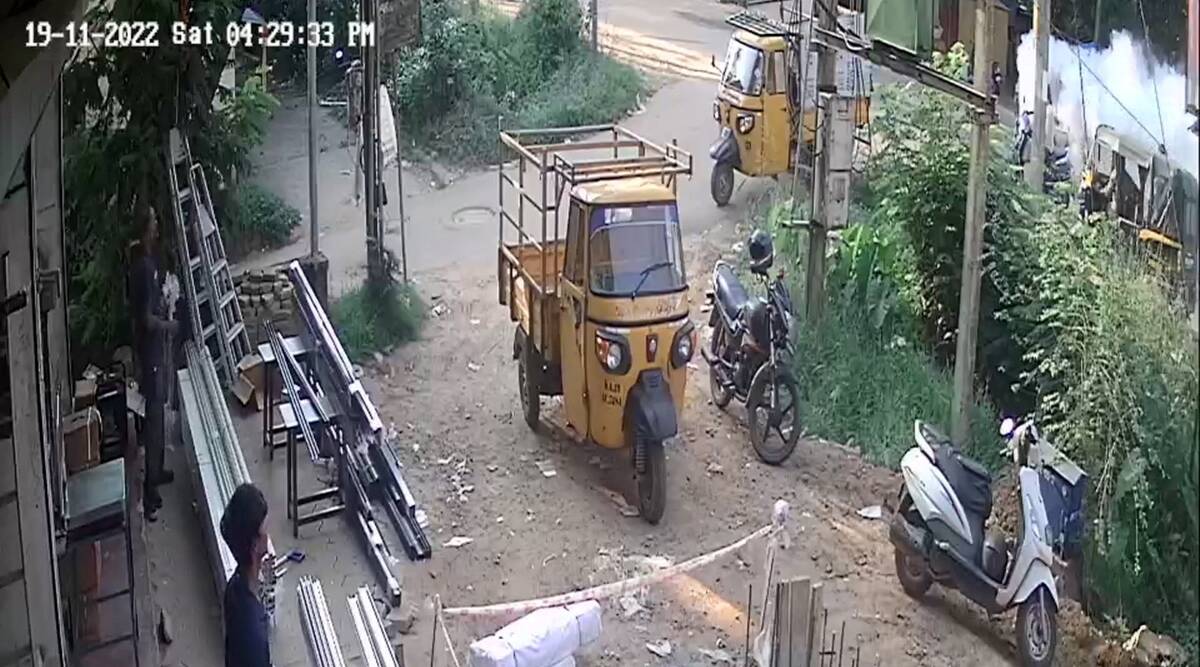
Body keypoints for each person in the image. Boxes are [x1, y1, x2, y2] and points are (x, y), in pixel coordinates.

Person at [128, 210, 178, 521]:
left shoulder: (147, 264)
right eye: (154, 222)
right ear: (147, 230)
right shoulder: (144, 269)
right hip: (151, 356)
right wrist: (167, 325)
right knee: (155, 420)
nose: (158, 226)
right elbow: (145, 319)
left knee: (158, 416)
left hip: (153, 352)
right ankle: (150, 494)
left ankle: (157, 472)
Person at [220, 483, 271, 667]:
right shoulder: (253, 633)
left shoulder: (234, 587)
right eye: (265, 530)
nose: (268, 535)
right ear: (255, 544)